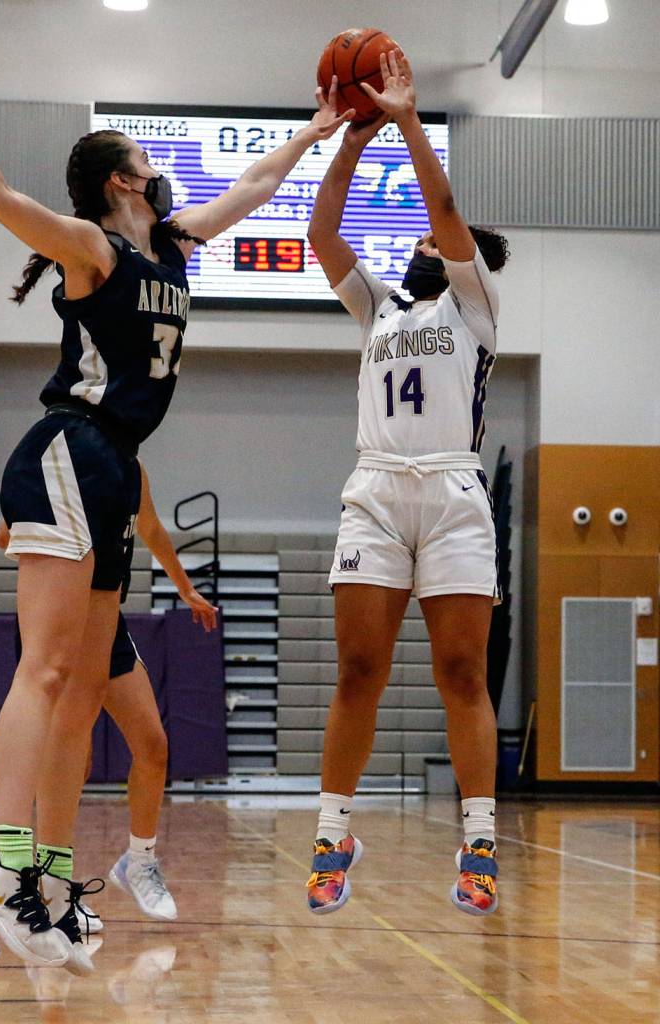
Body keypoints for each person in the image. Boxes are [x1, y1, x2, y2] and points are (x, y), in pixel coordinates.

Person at [0, 32, 355, 972]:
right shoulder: (92, 249)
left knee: (79, 703)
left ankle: (54, 885)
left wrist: (313, 131)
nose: (162, 172)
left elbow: (256, 187)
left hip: (113, 470)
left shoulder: (176, 247)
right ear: (119, 181)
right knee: (48, 674)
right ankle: (8, 868)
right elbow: (2, 201)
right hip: (68, 450)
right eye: (148, 160)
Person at [304, 49, 510, 918]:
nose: (424, 244)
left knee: (462, 672)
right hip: (379, 489)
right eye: (421, 241)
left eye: (433, 240)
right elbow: (321, 233)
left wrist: (409, 118)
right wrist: (356, 133)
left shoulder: (474, 307)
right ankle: (332, 831)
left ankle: (479, 839)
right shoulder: (381, 308)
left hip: (454, 493)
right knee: (359, 668)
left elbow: (447, 206)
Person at [0, 459, 218, 926]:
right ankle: (49, 887)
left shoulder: (133, 468)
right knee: (71, 762)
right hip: (58, 621)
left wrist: (186, 590)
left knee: (153, 746)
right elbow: (5, 535)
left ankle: (139, 861)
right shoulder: (57, 461)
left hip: (106, 627)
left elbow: (153, 529)